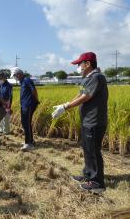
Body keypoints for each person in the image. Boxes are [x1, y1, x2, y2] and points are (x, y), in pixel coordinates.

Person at [52, 52, 108, 193]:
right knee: (88, 149)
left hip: (94, 121)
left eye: (79, 64)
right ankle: (88, 175)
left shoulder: (97, 77)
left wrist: (66, 107)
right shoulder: (87, 78)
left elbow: (86, 96)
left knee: (94, 152)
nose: (78, 67)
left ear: (88, 64)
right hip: (87, 121)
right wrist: (66, 104)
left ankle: (97, 183)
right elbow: (80, 94)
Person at [11, 67, 39, 151]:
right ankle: (30, 141)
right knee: (24, 123)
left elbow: (34, 90)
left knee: (26, 124)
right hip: (24, 106)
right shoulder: (22, 81)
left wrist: (36, 100)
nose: (15, 77)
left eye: (15, 75)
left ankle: (29, 144)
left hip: (29, 105)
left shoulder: (27, 80)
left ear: (19, 74)